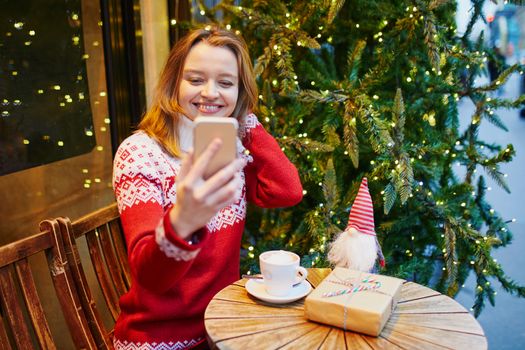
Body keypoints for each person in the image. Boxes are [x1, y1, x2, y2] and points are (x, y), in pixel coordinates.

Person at [111, 26, 303, 349]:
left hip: (223, 329)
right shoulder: (140, 154)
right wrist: (184, 220)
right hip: (161, 340)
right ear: (174, 83)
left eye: (226, 83)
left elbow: (287, 191)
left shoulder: (232, 151)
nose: (211, 93)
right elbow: (152, 277)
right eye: (196, 80)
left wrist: (243, 120)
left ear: (240, 93)